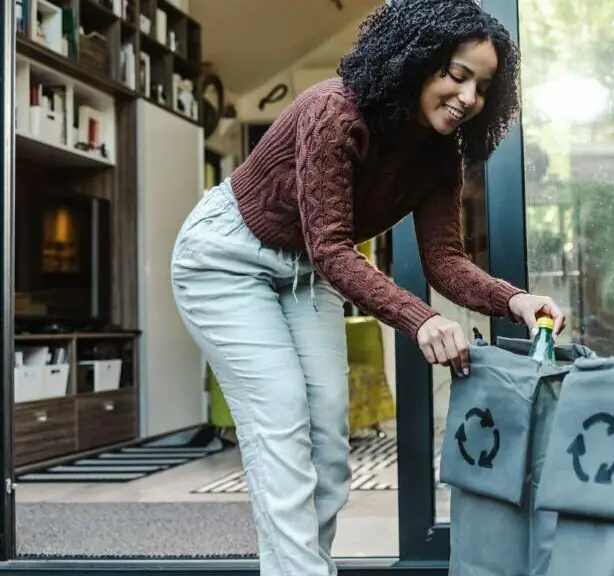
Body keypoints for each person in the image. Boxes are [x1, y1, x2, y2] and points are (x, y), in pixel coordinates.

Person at [169, 0, 565, 574]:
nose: (468, 98)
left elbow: (445, 261)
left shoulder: (438, 157)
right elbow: (332, 244)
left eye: (481, 87)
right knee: (281, 424)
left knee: (329, 446)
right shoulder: (335, 111)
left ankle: (306, 565)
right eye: (457, 75)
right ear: (416, 62)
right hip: (226, 259)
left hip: (305, 270)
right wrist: (420, 319)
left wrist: (515, 299)